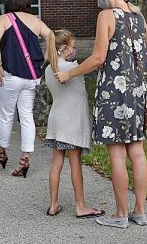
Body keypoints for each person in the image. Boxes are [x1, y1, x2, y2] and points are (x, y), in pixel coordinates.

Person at [54, 0, 147, 229]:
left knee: (118, 155)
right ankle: (139, 211)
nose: (96, 2)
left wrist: (69, 73)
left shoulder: (107, 16)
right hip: (137, 91)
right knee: (138, 152)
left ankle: (121, 214)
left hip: (114, 91)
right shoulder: (138, 16)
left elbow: (98, 57)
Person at [0, 0, 53, 178]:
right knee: (26, 116)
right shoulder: (36, 21)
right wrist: (44, 60)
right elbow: (52, 37)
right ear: (27, 2)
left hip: (9, 74)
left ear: (6, 2)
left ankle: (1, 153)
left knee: (7, 115)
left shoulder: (3, 20)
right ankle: (25, 158)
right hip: (32, 75)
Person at [44, 29, 105, 219]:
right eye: (72, 47)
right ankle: (80, 205)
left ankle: (53, 204)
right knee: (75, 162)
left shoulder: (49, 68)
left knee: (56, 162)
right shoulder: (69, 69)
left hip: (56, 121)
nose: (74, 50)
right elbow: (92, 64)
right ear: (63, 48)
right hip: (70, 122)